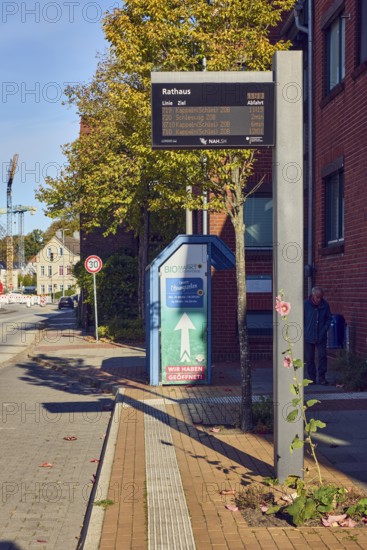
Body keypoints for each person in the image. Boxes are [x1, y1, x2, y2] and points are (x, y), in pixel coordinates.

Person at [304, 286, 332, 385]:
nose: (319, 299)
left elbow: (329, 318)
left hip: (321, 335)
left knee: (322, 357)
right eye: (317, 297)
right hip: (309, 335)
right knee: (309, 358)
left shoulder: (325, 305)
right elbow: (301, 318)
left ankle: (322, 378)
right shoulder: (305, 305)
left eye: (321, 297)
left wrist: (324, 329)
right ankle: (312, 378)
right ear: (313, 295)